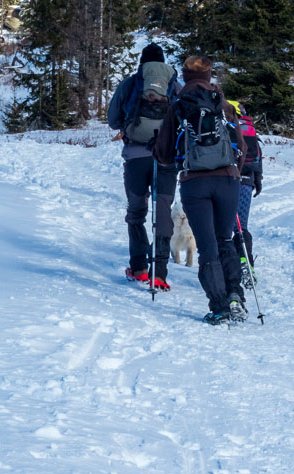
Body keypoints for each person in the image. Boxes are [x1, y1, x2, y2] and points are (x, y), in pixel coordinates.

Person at [154, 55, 249, 324]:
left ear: (184, 76)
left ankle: (219, 307)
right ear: (209, 76)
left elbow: (163, 153)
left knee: (207, 247)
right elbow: (241, 147)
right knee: (225, 240)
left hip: (195, 183)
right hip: (227, 180)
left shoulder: (178, 105)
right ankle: (235, 296)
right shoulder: (224, 105)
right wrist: (234, 172)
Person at [107, 43, 178, 289]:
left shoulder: (131, 83)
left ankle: (138, 269)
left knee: (136, 212)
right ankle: (160, 273)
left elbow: (113, 120)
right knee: (163, 212)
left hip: (136, 157)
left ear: (142, 63)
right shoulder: (173, 84)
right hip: (166, 157)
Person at [227, 99, 263, 286]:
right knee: (242, 225)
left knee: (224, 227)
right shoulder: (248, 126)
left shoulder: (225, 123)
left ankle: (229, 267)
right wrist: (258, 180)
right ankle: (247, 264)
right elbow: (257, 154)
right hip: (246, 181)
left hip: (226, 179)